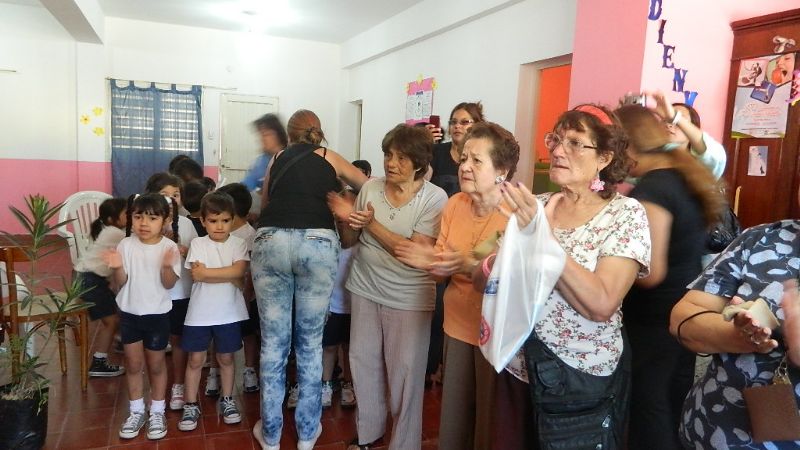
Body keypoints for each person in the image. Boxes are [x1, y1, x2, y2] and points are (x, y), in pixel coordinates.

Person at [490, 105, 650, 449]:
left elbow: (602, 303)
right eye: (556, 140)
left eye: (576, 143)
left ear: (604, 158)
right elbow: (496, 282)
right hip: (520, 367)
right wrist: (492, 265)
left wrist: (540, 239)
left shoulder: (625, 214)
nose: (558, 151)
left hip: (578, 376)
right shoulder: (538, 203)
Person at [394, 121, 520, 450]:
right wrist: (430, 262)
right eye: (464, 158)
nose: (464, 166)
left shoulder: (516, 216)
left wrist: (464, 265)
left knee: (489, 423)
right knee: (454, 418)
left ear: (502, 170)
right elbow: (440, 273)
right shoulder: (455, 205)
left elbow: (511, 281)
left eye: (476, 161)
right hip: (458, 323)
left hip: (497, 331)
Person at [250, 109, 368, 450]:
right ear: (319, 131)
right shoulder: (331, 157)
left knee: (274, 345)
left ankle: (270, 435)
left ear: (290, 134)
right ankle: (306, 433)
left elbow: (267, 201)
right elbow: (367, 184)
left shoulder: (277, 159)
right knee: (310, 343)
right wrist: (347, 206)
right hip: (317, 243)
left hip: (271, 240)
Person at [328, 123, 447, 450]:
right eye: (388, 154)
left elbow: (413, 252)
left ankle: (404, 443)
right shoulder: (371, 189)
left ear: (420, 162)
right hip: (365, 288)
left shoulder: (435, 198)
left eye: (401, 157)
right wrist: (345, 221)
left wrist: (369, 223)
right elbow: (352, 241)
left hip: (409, 298)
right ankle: (368, 434)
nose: (391, 163)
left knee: (405, 375)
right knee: (363, 364)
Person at [615, 104, 726, 450]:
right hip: (682, 312)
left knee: (649, 406)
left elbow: (651, 272)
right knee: (674, 399)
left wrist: (608, 270)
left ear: (627, 146)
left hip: (653, 320)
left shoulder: (651, 191)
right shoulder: (683, 175)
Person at [103, 194, 182, 440]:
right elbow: (121, 283)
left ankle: (157, 409)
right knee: (134, 365)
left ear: (165, 220)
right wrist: (117, 266)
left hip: (157, 315)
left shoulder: (169, 248)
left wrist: (167, 267)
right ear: (131, 219)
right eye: (138, 217)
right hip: (129, 314)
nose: (144, 223)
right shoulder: (126, 245)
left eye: (152, 217)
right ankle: (136, 410)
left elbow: (169, 285)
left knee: (156, 365)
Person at [178, 192, 249, 431]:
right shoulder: (198, 244)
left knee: (226, 358)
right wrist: (227, 274)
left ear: (232, 220)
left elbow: (239, 272)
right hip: (199, 313)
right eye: (213, 220)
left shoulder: (239, 244)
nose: (219, 226)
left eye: (225, 220)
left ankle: (227, 399)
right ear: (203, 221)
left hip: (228, 313)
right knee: (196, 359)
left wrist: (210, 274)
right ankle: (190, 404)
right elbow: (197, 274)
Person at [142, 173, 200, 411]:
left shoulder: (186, 224)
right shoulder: (146, 223)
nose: (171, 200)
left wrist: (184, 250)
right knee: (154, 343)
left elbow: (196, 256)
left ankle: (177, 385)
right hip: (154, 294)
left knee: (178, 340)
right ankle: (154, 389)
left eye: (175, 195)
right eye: (164, 195)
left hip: (180, 293)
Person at [75, 197, 128, 377]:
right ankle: (99, 362)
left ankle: (120, 340)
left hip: (87, 278)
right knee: (111, 321)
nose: (131, 217)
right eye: (127, 214)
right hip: (91, 281)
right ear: (113, 219)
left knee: (117, 310)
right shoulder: (116, 233)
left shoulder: (109, 230)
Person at [216, 182, 260, 393]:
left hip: (244, 296)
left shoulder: (249, 235)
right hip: (222, 296)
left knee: (248, 334)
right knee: (219, 334)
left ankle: (249, 370)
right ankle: (216, 372)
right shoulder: (220, 233)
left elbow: (250, 270)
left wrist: (248, 294)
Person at [241, 113, 289, 192]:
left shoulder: (290, 159)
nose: (261, 139)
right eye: (260, 134)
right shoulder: (261, 162)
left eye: (265, 134)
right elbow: (246, 185)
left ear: (278, 135)